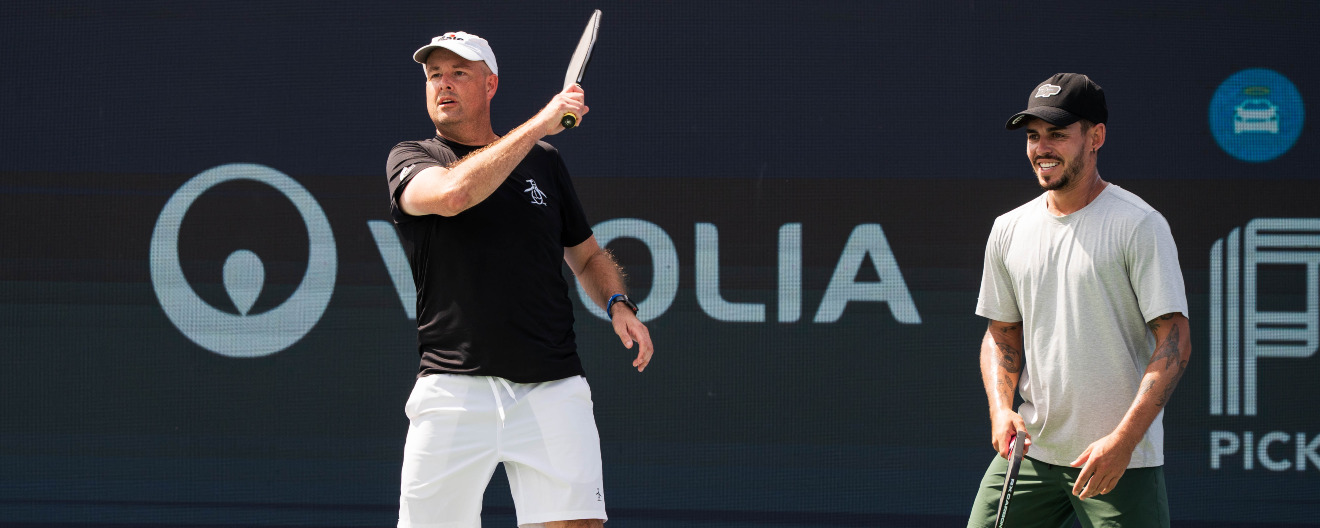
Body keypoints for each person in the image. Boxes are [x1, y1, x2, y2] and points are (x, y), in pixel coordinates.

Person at [384, 31, 654, 528]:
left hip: (553, 387)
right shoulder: (411, 157)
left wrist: (617, 302)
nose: (443, 84)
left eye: (458, 73)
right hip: (453, 389)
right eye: (434, 75)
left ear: (491, 84)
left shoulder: (546, 164)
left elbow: (588, 255)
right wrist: (540, 124)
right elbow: (452, 196)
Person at [966, 73, 1191, 527]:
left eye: (1058, 134)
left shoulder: (1139, 225)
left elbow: (1175, 343)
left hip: (1116, 461)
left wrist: (1123, 443)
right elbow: (1001, 332)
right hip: (1029, 457)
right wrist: (1001, 409)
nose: (1041, 148)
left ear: (1096, 137)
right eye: (1033, 136)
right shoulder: (1008, 229)